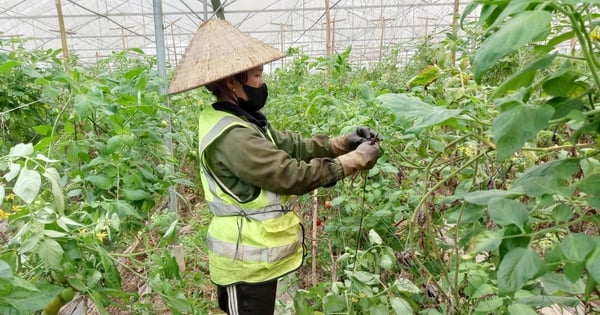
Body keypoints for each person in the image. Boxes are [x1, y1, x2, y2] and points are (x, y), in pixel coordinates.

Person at [168, 18, 381, 315]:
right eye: (257, 75)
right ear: (232, 82)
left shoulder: (243, 120)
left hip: (268, 262)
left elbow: (294, 146)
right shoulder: (233, 136)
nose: (262, 82)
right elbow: (289, 175)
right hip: (245, 269)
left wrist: (342, 142)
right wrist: (352, 161)